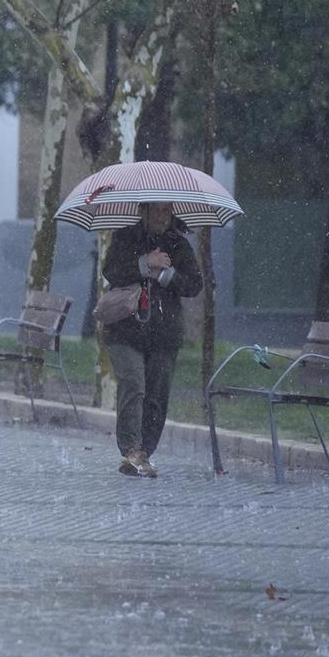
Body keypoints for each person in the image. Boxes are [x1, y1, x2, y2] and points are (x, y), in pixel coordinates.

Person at [101, 201, 202, 478]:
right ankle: (130, 449)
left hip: (164, 334)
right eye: (156, 210)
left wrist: (166, 274)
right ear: (143, 211)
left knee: (157, 395)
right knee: (134, 384)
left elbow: (194, 284)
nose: (161, 216)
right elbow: (111, 271)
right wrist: (145, 264)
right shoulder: (125, 236)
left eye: (166, 211)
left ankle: (143, 452)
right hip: (125, 329)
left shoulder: (178, 244)